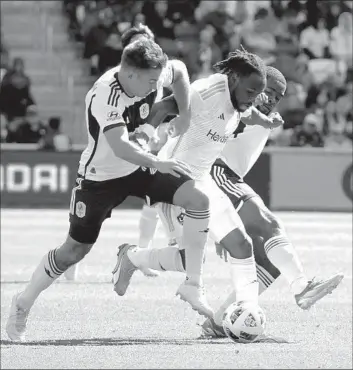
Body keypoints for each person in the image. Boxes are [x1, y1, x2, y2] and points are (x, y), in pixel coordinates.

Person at [6, 37, 213, 342]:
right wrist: (158, 160)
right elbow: (119, 147)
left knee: (198, 200)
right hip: (100, 179)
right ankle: (22, 302)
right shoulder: (105, 94)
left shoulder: (155, 73)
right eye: (152, 82)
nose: (156, 88)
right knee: (73, 251)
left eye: (158, 80)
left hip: (141, 169)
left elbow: (180, 72)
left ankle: (193, 283)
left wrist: (184, 114)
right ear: (130, 75)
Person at [112, 50, 285, 312]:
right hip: (174, 181)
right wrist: (144, 138)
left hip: (202, 181)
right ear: (235, 78)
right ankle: (132, 256)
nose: (253, 99)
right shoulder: (206, 93)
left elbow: (247, 112)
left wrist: (267, 122)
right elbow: (162, 107)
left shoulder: (241, 98)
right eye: (250, 92)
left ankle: (241, 314)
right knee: (188, 259)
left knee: (242, 246)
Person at [200, 66, 344, 337]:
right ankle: (301, 287)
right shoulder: (236, 107)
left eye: (278, 96)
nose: (272, 99)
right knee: (270, 225)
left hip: (229, 177)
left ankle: (218, 323)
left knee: (270, 261)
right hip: (216, 171)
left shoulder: (268, 117)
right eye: (268, 92)